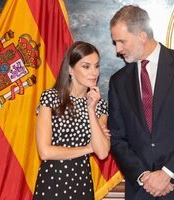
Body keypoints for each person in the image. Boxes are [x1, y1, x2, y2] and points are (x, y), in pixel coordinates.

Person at [108, 5, 174, 200]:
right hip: (140, 190)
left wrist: (168, 172)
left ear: (142, 35)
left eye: (121, 41)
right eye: (115, 42)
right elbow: (117, 138)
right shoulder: (118, 81)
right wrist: (144, 176)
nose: (118, 49)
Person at [33, 41, 110, 200]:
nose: (94, 72)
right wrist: (89, 148)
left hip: (82, 185)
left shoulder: (99, 105)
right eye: (86, 66)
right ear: (70, 69)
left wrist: (91, 109)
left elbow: (102, 152)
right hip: (51, 184)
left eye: (96, 66)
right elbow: (45, 152)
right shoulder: (50, 98)